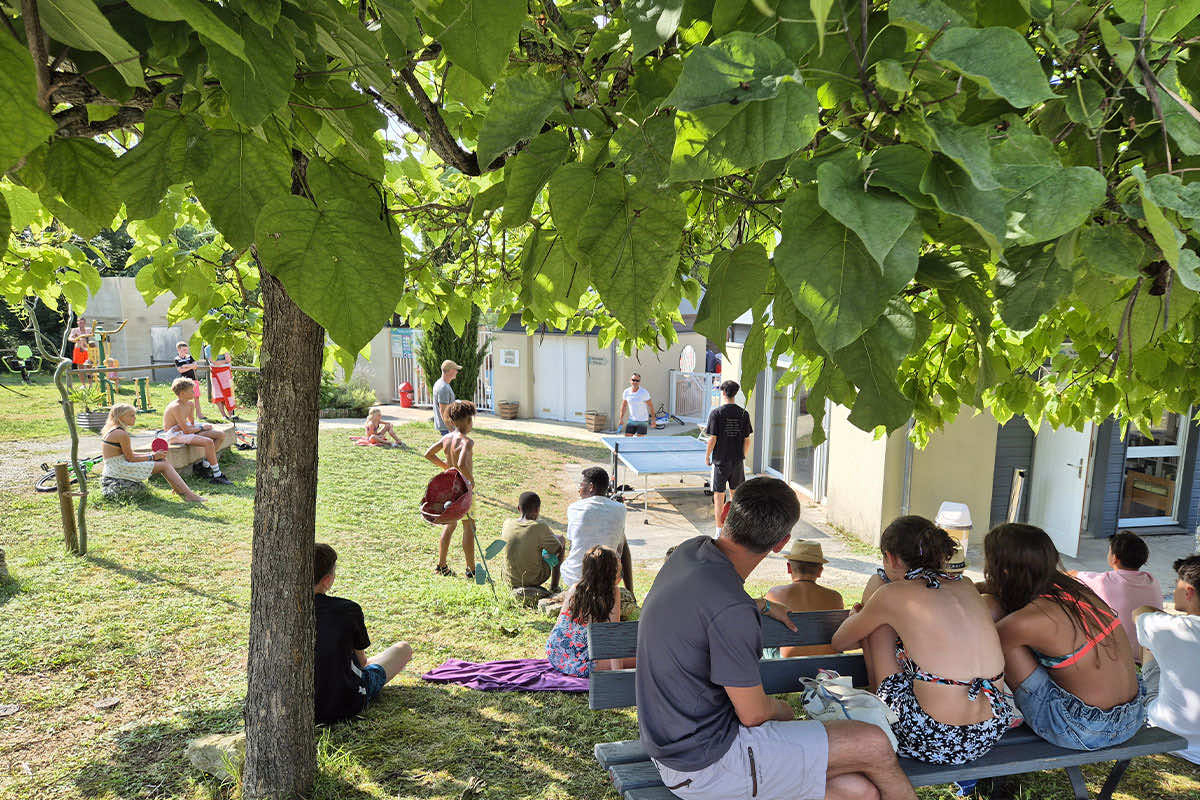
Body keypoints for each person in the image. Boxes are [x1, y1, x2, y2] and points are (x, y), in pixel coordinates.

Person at [638, 476, 917, 800]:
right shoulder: (731, 611)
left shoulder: (689, 553)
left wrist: (760, 604)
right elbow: (755, 714)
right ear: (781, 542)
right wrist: (785, 712)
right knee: (873, 744)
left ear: (726, 511)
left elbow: (703, 605)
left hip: (676, 748)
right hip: (709, 764)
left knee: (859, 791)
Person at [831, 516, 1011, 765]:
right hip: (989, 731)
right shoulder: (966, 585)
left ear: (890, 557)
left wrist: (860, 615)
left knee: (876, 621)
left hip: (932, 737)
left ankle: (880, 718)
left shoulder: (892, 593)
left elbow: (839, 642)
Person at [983, 523, 1145, 751]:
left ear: (1004, 570)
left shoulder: (1029, 620)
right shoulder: (1074, 591)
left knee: (991, 623)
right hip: (1133, 715)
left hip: (1084, 729)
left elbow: (982, 647)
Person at [314, 543, 412, 724]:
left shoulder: (280, 610)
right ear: (327, 580)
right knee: (403, 649)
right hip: (344, 703)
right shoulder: (347, 610)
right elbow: (362, 662)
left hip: (299, 703)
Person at [1133, 555, 1200, 764]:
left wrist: (1162, 616)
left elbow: (1139, 613)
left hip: (1168, 730)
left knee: (1152, 645)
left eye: (1176, 584)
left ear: (1189, 592)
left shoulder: (1173, 628)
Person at [1074, 531, 1163, 661]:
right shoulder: (1151, 580)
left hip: (1122, 657)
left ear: (1114, 558)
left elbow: (1072, 574)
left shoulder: (1105, 580)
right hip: (1151, 655)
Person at [546, 545, 628, 677]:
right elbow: (613, 633)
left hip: (555, 654)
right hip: (583, 662)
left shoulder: (575, 588)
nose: (620, 564)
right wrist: (617, 674)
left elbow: (559, 625)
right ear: (609, 570)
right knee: (640, 659)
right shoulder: (613, 591)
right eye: (617, 562)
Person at [99, 404, 204, 503]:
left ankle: (180, 490)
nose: (134, 418)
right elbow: (130, 458)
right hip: (119, 468)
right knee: (164, 466)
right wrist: (152, 456)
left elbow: (128, 454)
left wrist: (152, 455)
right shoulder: (121, 434)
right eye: (131, 415)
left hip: (116, 465)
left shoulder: (114, 430)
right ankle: (188, 494)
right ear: (120, 417)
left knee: (162, 461)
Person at [561, 467, 635, 605]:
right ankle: (631, 592)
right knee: (622, 542)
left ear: (591, 487)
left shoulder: (574, 508)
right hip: (608, 579)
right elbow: (620, 546)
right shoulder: (620, 509)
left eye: (581, 485)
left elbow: (573, 544)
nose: (579, 489)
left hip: (576, 577)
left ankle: (556, 588)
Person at [424, 399, 477, 578]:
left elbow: (428, 454)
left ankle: (441, 565)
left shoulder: (446, 438)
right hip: (464, 490)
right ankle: (471, 569)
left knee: (450, 524)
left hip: (450, 489)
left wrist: (446, 468)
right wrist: (470, 481)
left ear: (452, 421)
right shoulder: (467, 441)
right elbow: (462, 463)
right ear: (469, 421)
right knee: (469, 527)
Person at [766, 540, 844, 657]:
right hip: (827, 662)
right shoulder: (836, 597)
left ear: (789, 568)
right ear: (820, 571)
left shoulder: (775, 593)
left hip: (787, 662)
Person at [163, 377, 231, 485]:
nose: (194, 392)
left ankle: (204, 466)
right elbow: (186, 430)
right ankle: (217, 475)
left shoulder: (190, 404)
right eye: (191, 390)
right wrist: (201, 428)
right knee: (208, 442)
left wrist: (201, 427)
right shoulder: (176, 407)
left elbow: (191, 425)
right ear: (182, 393)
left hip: (184, 430)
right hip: (174, 434)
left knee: (220, 435)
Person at [705, 380, 752, 534]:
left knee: (719, 495)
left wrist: (707, 457)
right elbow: (747, 440)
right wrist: (742, 456)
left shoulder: (716, 413)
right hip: (737, 461)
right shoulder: (744, 413)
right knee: (736, 495)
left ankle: (719, 530)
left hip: (720, 461)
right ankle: (737, 528)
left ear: (723, 392)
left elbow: (713, 439)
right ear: (735, 393)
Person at [499, 491, 564, 600]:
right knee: (561, 540)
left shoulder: (507, 523)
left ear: (519, 508)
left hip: (509, 578)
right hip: (533, 579)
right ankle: (554, 587)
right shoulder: (539, 527)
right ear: (538, 510)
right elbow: (557, 549)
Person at [616, 372, 653, 437]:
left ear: (639, 382)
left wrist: (653, 420)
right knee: (627, 439)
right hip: (632, 420)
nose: (635, 382)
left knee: (639, 442)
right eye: (633, 380)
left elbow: (651, 406)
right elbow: (624, 406)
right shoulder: (626, 392)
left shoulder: (644, 392)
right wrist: (621, 419)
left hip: (642, 421)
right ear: (630, 381)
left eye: (637, 381)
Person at [174, 342, 203, 420]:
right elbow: (181, 370)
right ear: (179, 350)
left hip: (194, 379)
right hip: (185, 382)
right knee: (185, 399)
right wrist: (191, 366)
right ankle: (186, 416)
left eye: (186, 350)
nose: (186, 352)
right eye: (184, 350)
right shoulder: (177, 359)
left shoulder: (189, 357)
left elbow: (195, 365)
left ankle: (199, 414)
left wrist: (185, 366)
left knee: (196, 397)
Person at [431, 359, 460, 436]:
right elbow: (443, 411)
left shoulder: (442, 384)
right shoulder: (443, 387)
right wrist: (452, 430)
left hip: (445, 427)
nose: (457, 372)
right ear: (450, 370)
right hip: (446, 428)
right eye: (455, 370)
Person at [209, 352, 238, 422]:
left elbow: (228, 359)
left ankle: (231, 415)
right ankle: (224, 415)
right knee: (218, 394)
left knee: (229, 393)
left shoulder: (224, 347)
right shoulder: (208, 348)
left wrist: (224, 360)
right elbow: (214, 362)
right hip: (215, 373)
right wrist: (225, 362)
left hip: (226, 372)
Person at [68, 316, 93, 383]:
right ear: (77, 323)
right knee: (80, 367)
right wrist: (76, 339)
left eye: (82, 322)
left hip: (87, 349)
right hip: (79, 349)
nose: (80, 324)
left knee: (89, 366)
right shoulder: (74, 330)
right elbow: (70, 338)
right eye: (79, 322)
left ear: (85, 323)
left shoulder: (89, 329)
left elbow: (94, 334)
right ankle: (83, 384)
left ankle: (90, 384)